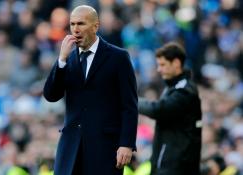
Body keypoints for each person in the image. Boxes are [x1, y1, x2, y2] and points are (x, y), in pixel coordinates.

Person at [43, 5, 138, 175]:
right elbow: (51, 95)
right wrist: (61, 60)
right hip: (71, 147)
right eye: (72, 24)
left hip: (104, 147)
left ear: (96, 26)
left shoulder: (118, 57)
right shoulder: (68, 59)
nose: (76, 29)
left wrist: (127, 143)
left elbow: (129, 105)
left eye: (81, 23)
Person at [138, 42, 202, 175]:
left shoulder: (185, 90)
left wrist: (131, 101)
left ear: (176, 63)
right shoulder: (173, 87)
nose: (159, 69)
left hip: (176, 167)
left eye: (163, 65)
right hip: (168, 164)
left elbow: (158, 110)